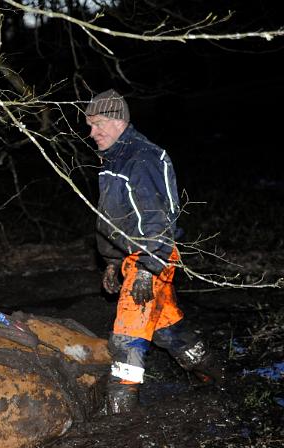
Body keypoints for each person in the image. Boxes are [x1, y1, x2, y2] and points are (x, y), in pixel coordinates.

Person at [85, 89, 218, 414]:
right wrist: (113, 262)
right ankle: (218, 376)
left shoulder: (142, 159)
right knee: (166, 329)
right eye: (89, 125)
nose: (92, 133)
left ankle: (121, 414)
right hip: (136, 257)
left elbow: (158, 219)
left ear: (119, 121)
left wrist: (147, 267)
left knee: (127, 336)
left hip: (152, 256)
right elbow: (116, 217)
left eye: (98, 124)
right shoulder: (114, 159)